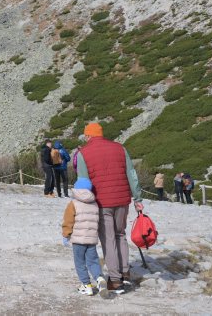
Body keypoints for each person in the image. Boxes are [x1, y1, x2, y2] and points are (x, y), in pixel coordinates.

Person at [74, 122, 143, 294]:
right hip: (122, 199)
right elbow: (131, 174)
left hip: (102, 202)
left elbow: (84, 183)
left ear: (88, 135)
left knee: (108, 239)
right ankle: (125, 273)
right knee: (120, 235)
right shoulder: (120, 148)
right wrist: (138, 197)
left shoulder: (83, 153)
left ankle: (115, 280)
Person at [61, 177, 105, 296]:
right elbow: (97, 221)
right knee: (93, 261)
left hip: (78, 240)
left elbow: (68, 221)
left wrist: (66, 235)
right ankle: (100, 279)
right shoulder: (95, 203)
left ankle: (86, 285)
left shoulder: (73, 203)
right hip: (91, 239)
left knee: (80, 262)